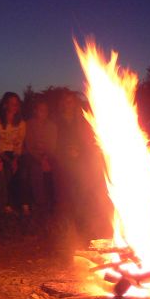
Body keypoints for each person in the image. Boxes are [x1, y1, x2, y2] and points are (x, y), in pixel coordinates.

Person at [54, 92, 95, 228]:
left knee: (83, 175)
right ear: (62, 104)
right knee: (68, 175)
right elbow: (55, 141)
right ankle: (69, 215)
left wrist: (79, 151)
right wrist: (67, 150)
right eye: (66, 101)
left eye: (71, 101)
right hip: (62, 155)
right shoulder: (57, 121)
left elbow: (85, 139)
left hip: (80, 155)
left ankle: (80, 213)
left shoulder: (81, 119)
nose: (68, 104)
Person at [0, 92, 29, 215]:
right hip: (1, 154)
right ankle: (6, 203)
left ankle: (24, 203)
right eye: (11, 103)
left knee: (23, 170)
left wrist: (15, 159)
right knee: (6, 171)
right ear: (5, 105)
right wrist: (8, 160)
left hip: (15, 154)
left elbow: (19, 143)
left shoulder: (21, 123)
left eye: (16, 104)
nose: (14, 106)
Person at [24, 99, 57, 216]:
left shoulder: (52, 126)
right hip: (32, 155)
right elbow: (29, 145)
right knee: (35, 168)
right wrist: (40, 158)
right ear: (35, 111)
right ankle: (40, 202)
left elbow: (52, 145)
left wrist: (46, 157)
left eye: (46, 110)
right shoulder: (29, 124)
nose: (44, 112)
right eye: (41, 110)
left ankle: (56, 201)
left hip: (47, 155)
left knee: (58, 167)